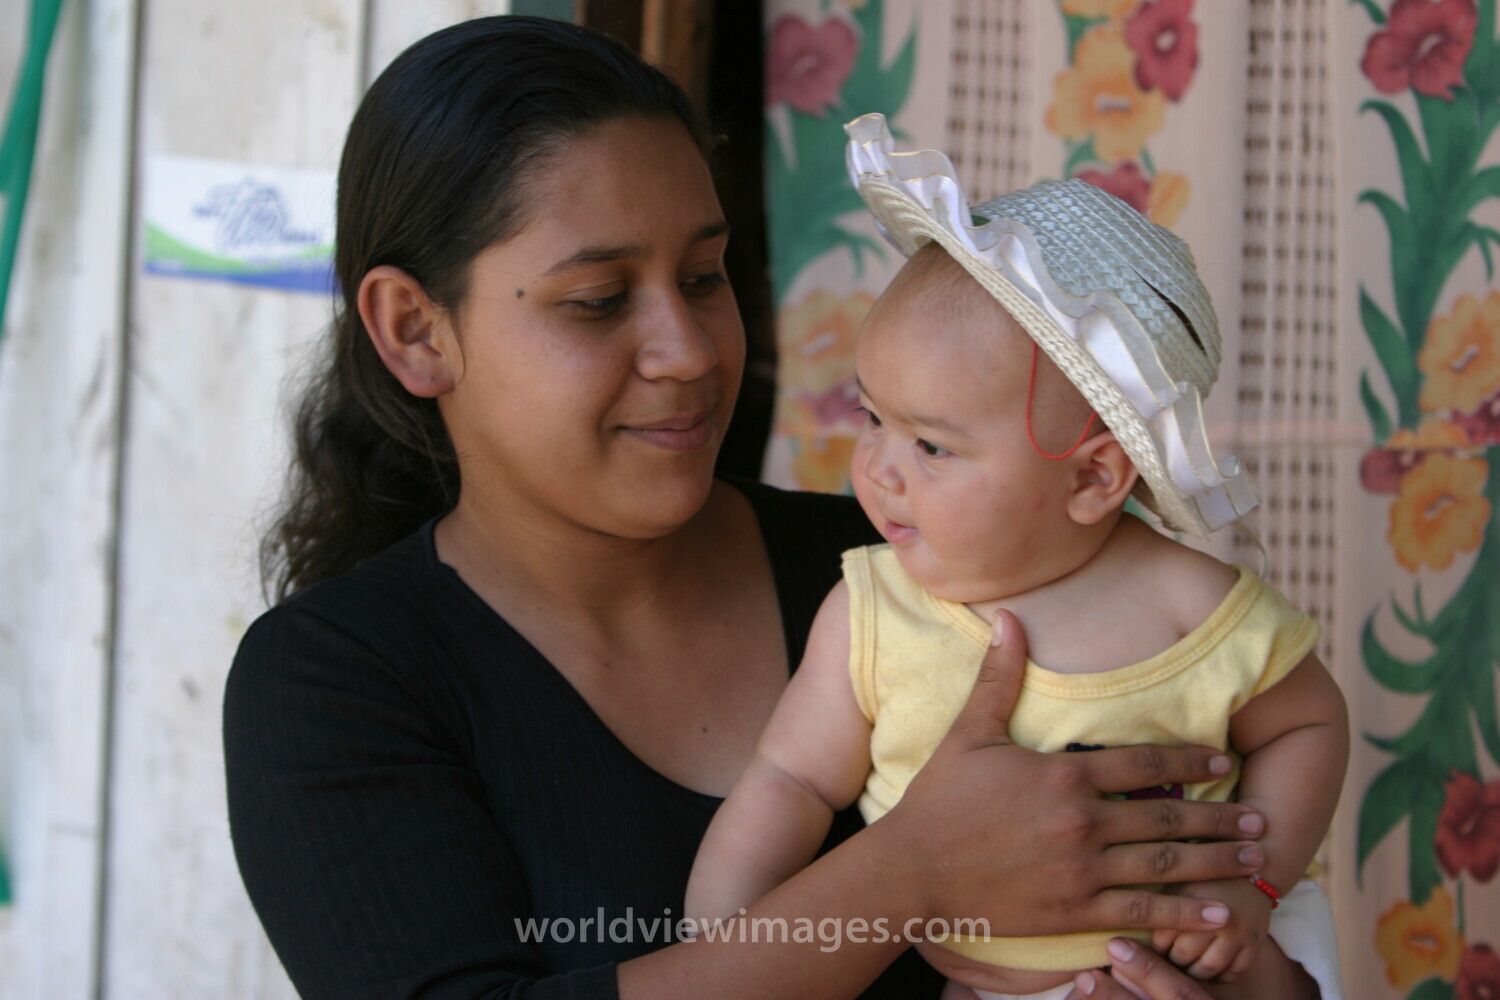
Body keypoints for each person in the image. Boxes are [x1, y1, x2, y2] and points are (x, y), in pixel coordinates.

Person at [223, 17, 1319, 1000]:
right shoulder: (334, 683)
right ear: (416, 330)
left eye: (706, 277)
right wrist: (910, 871)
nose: (691, 350)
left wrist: (1238, 975)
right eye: (598, 300)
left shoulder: (909, 562)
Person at [686, 115, 1349, 1000]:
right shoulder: (872, 610)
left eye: (932, 445)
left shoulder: (1196, 609)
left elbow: (1309, 726)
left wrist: (1255, 886)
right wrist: (726, 940)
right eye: (873, 417)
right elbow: (792, 779)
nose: (877, 468)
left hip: (1186, 973)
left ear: (1093, 478)